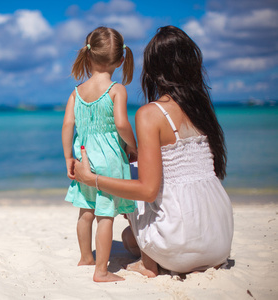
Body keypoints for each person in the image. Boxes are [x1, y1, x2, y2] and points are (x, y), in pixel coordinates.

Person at [73, 25, 234, 278]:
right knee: (129, 236)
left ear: (152, 70)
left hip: (179, 248)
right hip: (220, 242)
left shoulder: (150, 114)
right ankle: (149, 249)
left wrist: (91, 179)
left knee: (131, 171)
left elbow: (148, 191)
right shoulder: (203, 112)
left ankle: (148, 264)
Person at [62, 26, 138, 282]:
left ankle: (86, 257)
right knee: (106, 216)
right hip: (108, 160)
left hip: (83, 156)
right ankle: (102, 271)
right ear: (120, 60)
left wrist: (68, 158)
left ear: (88, 55)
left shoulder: (76, 92)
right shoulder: (117, 90)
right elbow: (121, 124)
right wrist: (133, 145)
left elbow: (67, 126)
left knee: (86, 211)